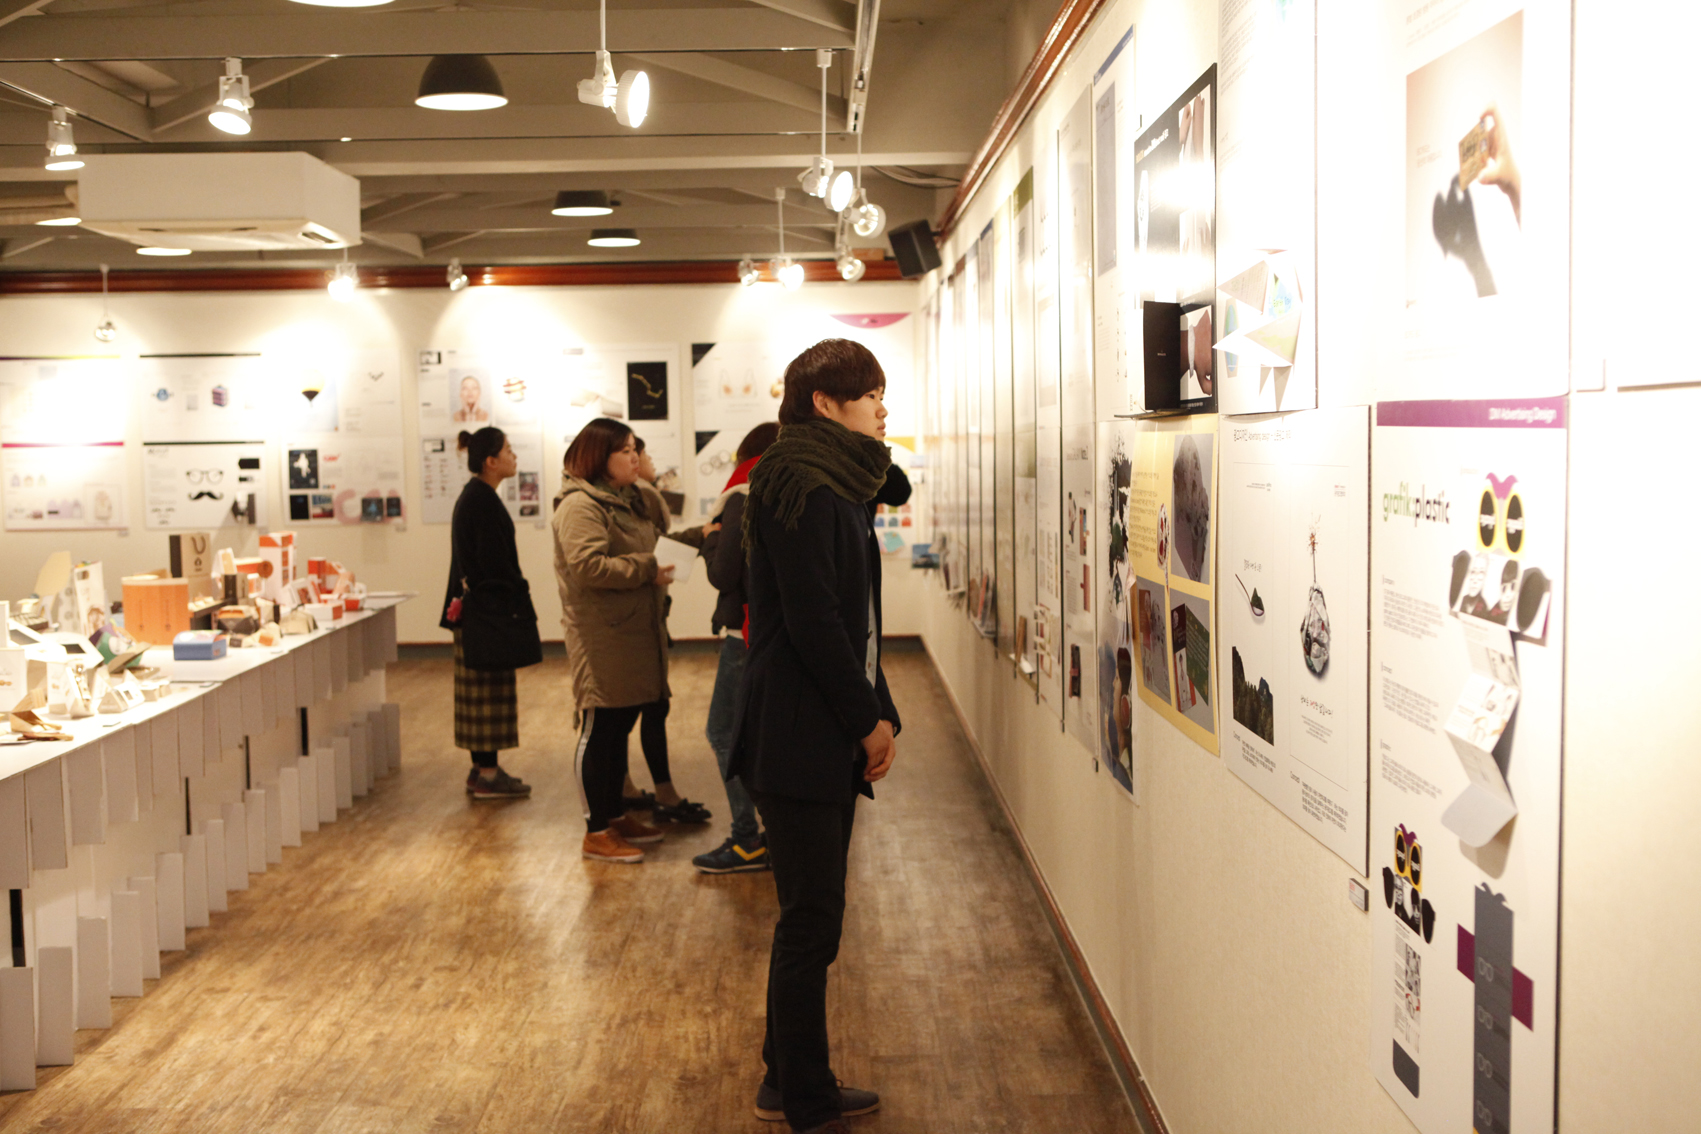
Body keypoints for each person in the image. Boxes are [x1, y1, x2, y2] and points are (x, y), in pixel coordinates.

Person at [730, 339, 900, 1133]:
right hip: (795, 734)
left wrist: (878, 709)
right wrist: (865, 719)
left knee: (814, 916)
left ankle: (785, 1078)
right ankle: (803, 1098)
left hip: (816, 728)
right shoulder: (798, 484)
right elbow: (813, 621)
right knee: (810, 921)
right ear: (825, 405)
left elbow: (855, 620)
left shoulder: (834, 482)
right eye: (870, 395)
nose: (882, 408)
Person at [553, 417, 678, 864]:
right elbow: (589, 567)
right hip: (601, 637)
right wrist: (647, 568)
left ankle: (615, 814)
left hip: (632, 630)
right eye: (624, 451)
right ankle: (596, 830)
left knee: (618, 727)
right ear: (599, 459)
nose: (635, 457)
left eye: (633, 449)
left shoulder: (628, 499)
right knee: (599, 729)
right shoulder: (580, 506)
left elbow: (653, 540)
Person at [691, 420, 780, 874]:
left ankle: (748, 838)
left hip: (742, 636)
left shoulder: (742, 496)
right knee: (765, 739)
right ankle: (778, 836)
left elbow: (723, 574)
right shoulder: (785, 491)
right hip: (773, 635)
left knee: (724, 732)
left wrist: (709, 539)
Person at [618, 435, 711, 826]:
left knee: (650, 707)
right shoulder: (630, 500)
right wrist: (697, 537)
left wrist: (699, 536)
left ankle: (639, 789)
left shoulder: (639, 498)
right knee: (631, 711)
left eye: (636, 452)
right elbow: (644, 554)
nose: (645, 460)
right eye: (634, 452)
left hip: (647, 618)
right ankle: (631, 795)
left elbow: (655, 548)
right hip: (627, 626)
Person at [440, 426, 532, 799]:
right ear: (491, 461)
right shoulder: (481, 501)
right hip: (486, 614)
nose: (514, 456)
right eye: (508, 450)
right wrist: (516, 591)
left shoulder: (476, 496)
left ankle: (481, 770)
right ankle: (489, 775)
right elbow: (493, 564)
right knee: (487, 697)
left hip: (475, 611)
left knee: (478, 696)